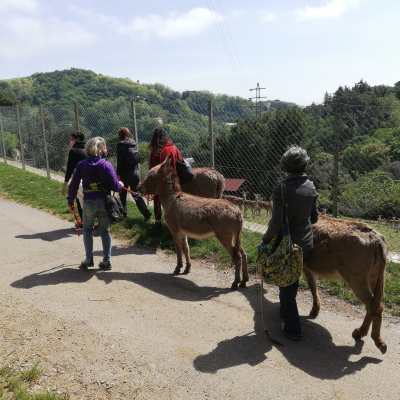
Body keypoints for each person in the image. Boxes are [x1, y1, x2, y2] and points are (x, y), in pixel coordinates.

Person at [262, 145, 318, 341]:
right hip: (306, 244)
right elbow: (315, 218)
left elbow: (276, 221)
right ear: (305, 164)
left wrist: (266, 239)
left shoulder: (281, 189)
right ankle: (286, 311)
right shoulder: (311, 186)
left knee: (285, 284)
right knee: (292, 278)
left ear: (285, 166)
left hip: (286, 245)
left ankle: (293, 329)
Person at [67, 137, 123, 270]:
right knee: (105, 231)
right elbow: (115, 187)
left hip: (88, 202)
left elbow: (73, 185)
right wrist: (121, 185)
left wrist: (70, 200)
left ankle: (88, 259)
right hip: (104, 202)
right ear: (100, 149)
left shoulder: (81, 165)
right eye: (104, 146)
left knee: (87, 229)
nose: (106, 149)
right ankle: (106, 260)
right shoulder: (107, 165)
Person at [148, 127, 183, 235]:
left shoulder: (156, 152)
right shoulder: (173, 147)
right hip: (174, 181)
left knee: (157, 202)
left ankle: (158, 225)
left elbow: (152, 169)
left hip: (162, 182)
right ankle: (177, 224)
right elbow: (180, 161)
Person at [116, 127, 151, 221]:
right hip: (136, 172)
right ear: (128, 134)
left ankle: (124, 214)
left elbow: (120, 161)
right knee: (136, 193)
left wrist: (118, 174)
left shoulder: (120, 145)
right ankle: (146, 212)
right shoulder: (133, 143)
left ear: (120, 135)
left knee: (122, 194)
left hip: (125, 173)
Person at [61, 131, 86, 223]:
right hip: (90, 177)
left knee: (79, 198)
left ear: (77, 140)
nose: (71, 141)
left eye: (72, 139)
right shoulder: (87, 148)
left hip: (79, 179)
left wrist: (65, 184)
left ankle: (84, 220)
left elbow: (69, 168)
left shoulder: (73, 151)